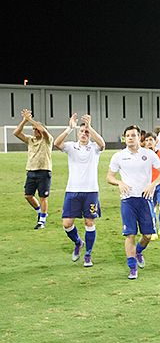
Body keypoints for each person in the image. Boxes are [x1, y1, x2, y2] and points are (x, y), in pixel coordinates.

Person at [106, 125, 160, 279]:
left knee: (147, 235)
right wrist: (119, 183)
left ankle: (138, 251)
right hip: (128, 201)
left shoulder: (149, 154)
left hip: (145, 199)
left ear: (139, 137)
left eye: (133, 135)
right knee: (130, 234)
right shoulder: (118, 156)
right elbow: (109, 177)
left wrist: (153, 184)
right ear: (124, 138)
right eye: (127, 136)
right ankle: (132, 268)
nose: (130, 138)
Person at [53, 114, 105, 267]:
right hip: (72, 191)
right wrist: (69, 128)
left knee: (90, 222)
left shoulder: (94, 148)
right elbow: (57, 143)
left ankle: (88, 255)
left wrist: (91, 127)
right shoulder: (70, 146)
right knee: (67, 223)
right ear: (78, 133)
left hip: (91, 192)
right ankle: (78, 242)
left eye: (86, 132)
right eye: (81, 131)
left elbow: (102, 144)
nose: (84, 134)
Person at [13, 109, 53, 229]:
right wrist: (24, 120)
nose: (34, 131)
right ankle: (40, 212)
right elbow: (16, 132)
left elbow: (43, 131)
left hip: (44, 171)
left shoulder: (47, 140)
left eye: (36, 129)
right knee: (28, 196)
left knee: (43, 197)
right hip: (31, 171)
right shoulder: (30, 140)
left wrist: (30, 119)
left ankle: (42, 221)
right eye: (33, 129)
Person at [142, 133, 160, 240]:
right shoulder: (143, 155)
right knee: (151, 209)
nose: (149, 142)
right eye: (147, 140)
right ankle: (153, 230)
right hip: (149, 186)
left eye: (151, 140)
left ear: (155, 141)